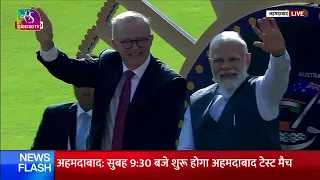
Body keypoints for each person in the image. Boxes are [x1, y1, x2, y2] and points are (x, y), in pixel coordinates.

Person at [32, 7, 187, 150]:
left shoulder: (169, 83)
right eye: (127, 42)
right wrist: (47, 44)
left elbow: (159, 141)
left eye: (141, 41)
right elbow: (69, 70)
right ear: (114, 44)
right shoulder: (108, 63)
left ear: (151, 40)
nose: (135, 47)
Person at [178, 18, 291, 150]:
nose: (226, 66)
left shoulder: (262, 91)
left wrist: (278, 54)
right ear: (210, 63)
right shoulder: (197, 100)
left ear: (247, 60)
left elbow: (278, 75)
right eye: (218, 60)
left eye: (233, 59)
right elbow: (185, 151)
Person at [31, 85, 94, 150]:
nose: (86, 87)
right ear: (73, 86)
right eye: (80, 82)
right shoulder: (54, 116)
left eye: (92, 82)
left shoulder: (105, 119)